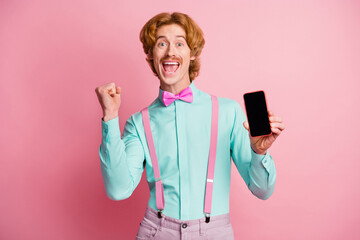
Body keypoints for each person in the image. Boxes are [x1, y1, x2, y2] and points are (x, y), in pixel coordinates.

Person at [95, 12, 285, 240]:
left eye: (179, 43)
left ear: (192, 53)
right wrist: (110, 116)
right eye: (161, 43)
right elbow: (118, 189)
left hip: (214, 233)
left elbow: (262, 190)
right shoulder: (138, 123)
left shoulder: (227, 111)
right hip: (157, 232)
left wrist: (259, 152)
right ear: (151, 55)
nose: (170, 51)